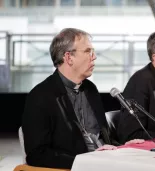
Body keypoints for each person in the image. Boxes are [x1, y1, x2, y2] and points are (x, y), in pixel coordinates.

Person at [22, 28, 120, 169]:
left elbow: (103, 139)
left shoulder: (90, 89)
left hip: (106, 163)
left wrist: (123, 147)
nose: (94, 57)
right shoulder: (40, 96)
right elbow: (37, 154)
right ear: (68, 57)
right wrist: (85, 161)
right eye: (87, 51)